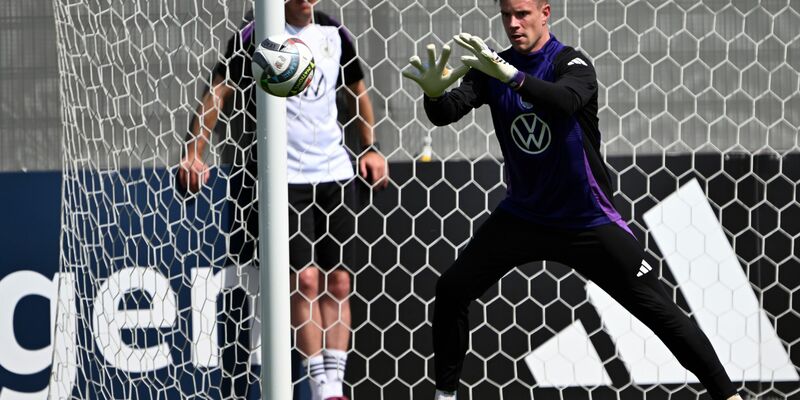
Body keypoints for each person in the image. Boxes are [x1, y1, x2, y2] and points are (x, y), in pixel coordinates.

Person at [402, 1, 743, 399]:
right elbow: (446, 113)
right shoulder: (489, 68)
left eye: (523, 13)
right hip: (524, 216)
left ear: (545, 13)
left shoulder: (572, 62)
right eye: (506, 15)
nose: (513, 23)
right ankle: (445, 395)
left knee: (661, 312)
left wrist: (510, 75)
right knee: (452, 289)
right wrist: (433, 95)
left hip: (586, 219)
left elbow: (564, 100)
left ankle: (729, 396)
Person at [178, 1, 388, 399]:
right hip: (286, 180)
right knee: (305, 280)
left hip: (335, 174)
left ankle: (334, 386)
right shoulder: (258, 34)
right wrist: (194, 152)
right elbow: (218, 91)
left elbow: (357, 90)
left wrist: (371, 147)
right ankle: (320, 386)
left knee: (339, 283)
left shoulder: (333, 32)